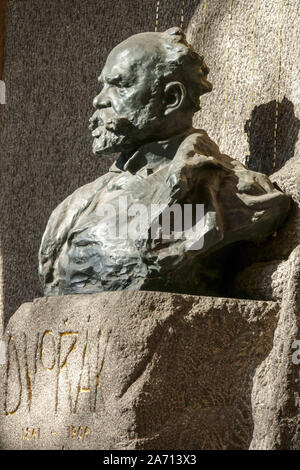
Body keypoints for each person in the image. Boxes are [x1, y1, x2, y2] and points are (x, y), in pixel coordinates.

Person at [39, 27, 290, 296]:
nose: (98, 99)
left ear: (171, 98)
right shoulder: (78, 201)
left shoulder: (233, 191)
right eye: (103, 85)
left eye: (119, 85)